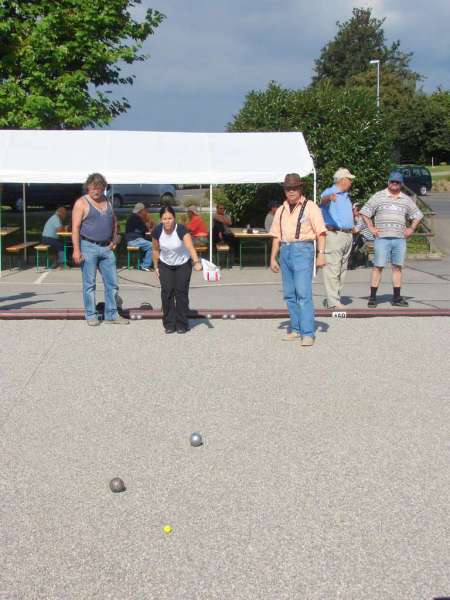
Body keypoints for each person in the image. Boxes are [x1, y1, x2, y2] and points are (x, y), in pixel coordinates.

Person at [270, 173, 327, 347]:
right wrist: (273, 258)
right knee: (289, 293)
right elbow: (275, 236)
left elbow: (321, 232)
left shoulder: (311, 207)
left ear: (300, 189)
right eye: (288, 188)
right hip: (285, 250)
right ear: (285, 190)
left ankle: (308, 332)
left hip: (303, 249)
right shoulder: (280, 210)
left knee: (303, 293)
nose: (291, 191)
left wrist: (321, 253)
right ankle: (295, 329)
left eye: (294, 188)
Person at [72, 172, 129, 326]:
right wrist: (76, 250)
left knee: (112, 283)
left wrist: (114, 240)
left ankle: (112, 314)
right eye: (92, 189)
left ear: (104, 187)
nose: (96, 191)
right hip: (88, 246)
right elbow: (75, 228)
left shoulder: (108, 201)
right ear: (88, 189)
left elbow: (114, 221)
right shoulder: (81, 203)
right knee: (89, 284)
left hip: (106, 248)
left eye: (99, 188)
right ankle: (91, 315)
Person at [360, 171, 423, 308]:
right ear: (388, 182)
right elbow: (365, 212)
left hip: (399, 238)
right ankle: (372, 297)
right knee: (378, 267)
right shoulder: (378, 196)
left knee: (397, 267)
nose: (394, 184)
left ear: (401, 184)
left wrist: (411, 228)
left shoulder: (406, 199)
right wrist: (371, 227)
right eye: (392, 181)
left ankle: (396, 297)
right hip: (382, 238)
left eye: (397, 182)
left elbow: (418, 215)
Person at [152, 205, 202, 334]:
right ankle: (169, 323)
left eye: (170, 218)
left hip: (182, 264)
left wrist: (196, 262)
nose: (167, 221)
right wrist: (156, 266)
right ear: (161, 220)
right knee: (167, 292)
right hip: (165, 264)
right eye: (164, 219)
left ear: (174, 218)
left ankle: (181, 323)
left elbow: (190, 247)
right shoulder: (157, 231)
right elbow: (155, 250)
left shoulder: (181, 229)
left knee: (181, 293)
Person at [320, 167, 356, 309]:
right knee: (333, 269)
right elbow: (322, 202)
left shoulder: (346, 196)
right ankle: (333, 302)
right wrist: (329, 198)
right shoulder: (331, 192)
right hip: (335, 235)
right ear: (342, 180)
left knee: (342, 269)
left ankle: (336, 298)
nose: (351, 183)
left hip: (347, 235)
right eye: (349, 180)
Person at [125, 202, 155, 271]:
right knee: (152, 245)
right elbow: (145, 229)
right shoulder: (137, 218)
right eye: (145, 210)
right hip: (133, 240)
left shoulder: (132, 217)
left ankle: (142, 263)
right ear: (141, 211)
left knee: (147, 245)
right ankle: (145, 265)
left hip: (132, 240)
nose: (146, 212)